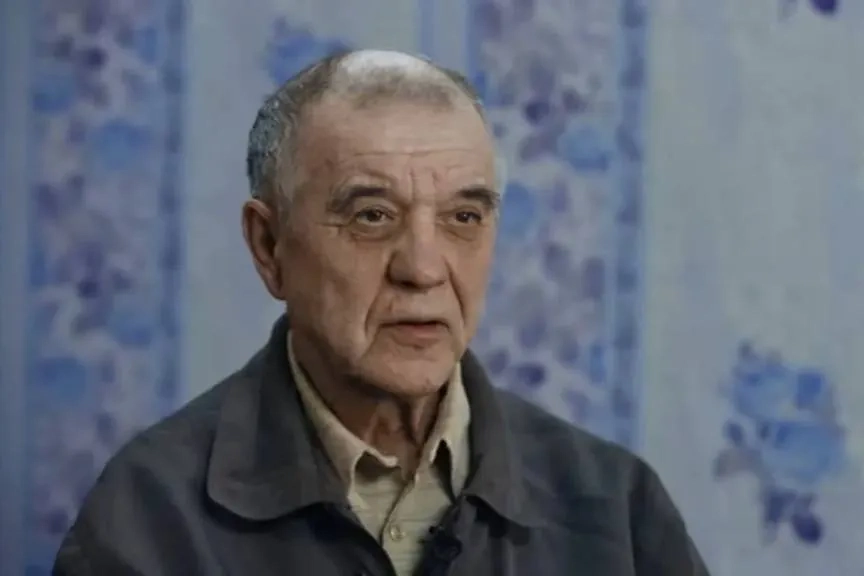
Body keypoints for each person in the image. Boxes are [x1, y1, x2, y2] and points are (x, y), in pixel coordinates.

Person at [53, 50, 710, 576]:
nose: (423, 269)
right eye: (372, 216)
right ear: (270, 246)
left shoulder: (614, 507)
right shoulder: (148, 517)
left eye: (463, 218)